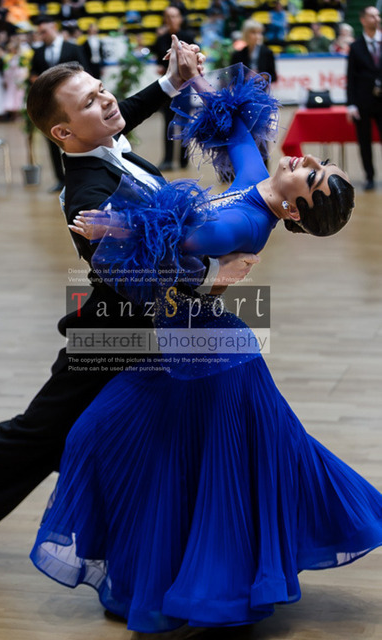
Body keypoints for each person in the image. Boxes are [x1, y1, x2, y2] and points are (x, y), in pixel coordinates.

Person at [28, 67, 376, 640]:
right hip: (195, 345)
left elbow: (178, 242)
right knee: (163, 457)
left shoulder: (243, 220)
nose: (307, 160)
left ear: (294, 211)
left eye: (312, 177)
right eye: (318, 163)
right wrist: (194, 82)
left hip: (207, 358)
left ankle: (200, 586)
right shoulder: (255, 181)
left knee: (154, 453)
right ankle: (166, 580)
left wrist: (114, 225)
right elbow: (234, 126)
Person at [0, 41, 256, 555]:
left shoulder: (98, 140)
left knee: (79, 435)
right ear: (63, 133)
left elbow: (123, 111)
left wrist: (172, 82)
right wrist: (214, 269)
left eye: (101, 89)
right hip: (115, 333)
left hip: (147, 326)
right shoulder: (89, 198)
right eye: (91, 101)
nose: (108, 100)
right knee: (40, 434)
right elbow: (134, 276)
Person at [29, 15, 89, 192]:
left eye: (44, 31)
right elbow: (32, 74)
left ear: (53, 27)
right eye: (39, 33)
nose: (42, 36)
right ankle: (60, 179)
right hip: (49, 106)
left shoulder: (73, 48)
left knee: (79, 139)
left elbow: (85, 72)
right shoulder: (38, 52)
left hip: (74, 104)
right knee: (52, 141)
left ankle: (82, 178)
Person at [152, 6, 195, 171]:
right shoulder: (161, 39)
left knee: (184, 123)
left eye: (174, 16)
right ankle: (168, 159)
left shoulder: (188, 37)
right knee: (168, 123)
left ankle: (184, 159)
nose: (171, 19)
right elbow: (158, 61)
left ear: (180, 19)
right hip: (168, 85)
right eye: (168, 16)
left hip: (184, 86)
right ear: (164, 19)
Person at [347, 5, 382, 191]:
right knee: (364, 141)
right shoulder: (355, 47)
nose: (377, 19)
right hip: (363, 101)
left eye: (378, 16)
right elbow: (350, 77)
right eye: (372, 16)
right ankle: (369, 176)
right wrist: (351, 104)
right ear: (363, 20)